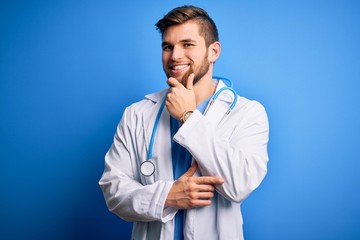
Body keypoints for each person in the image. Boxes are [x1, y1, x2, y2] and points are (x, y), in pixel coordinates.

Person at [99, 5, 269, 240]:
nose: (175, 56)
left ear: (214, 51)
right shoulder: (137, 114)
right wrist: (167, 196)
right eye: (168, 47)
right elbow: (113, 191)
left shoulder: (247, 113)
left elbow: (238, 185)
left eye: (187, 44)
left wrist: (188, 117)